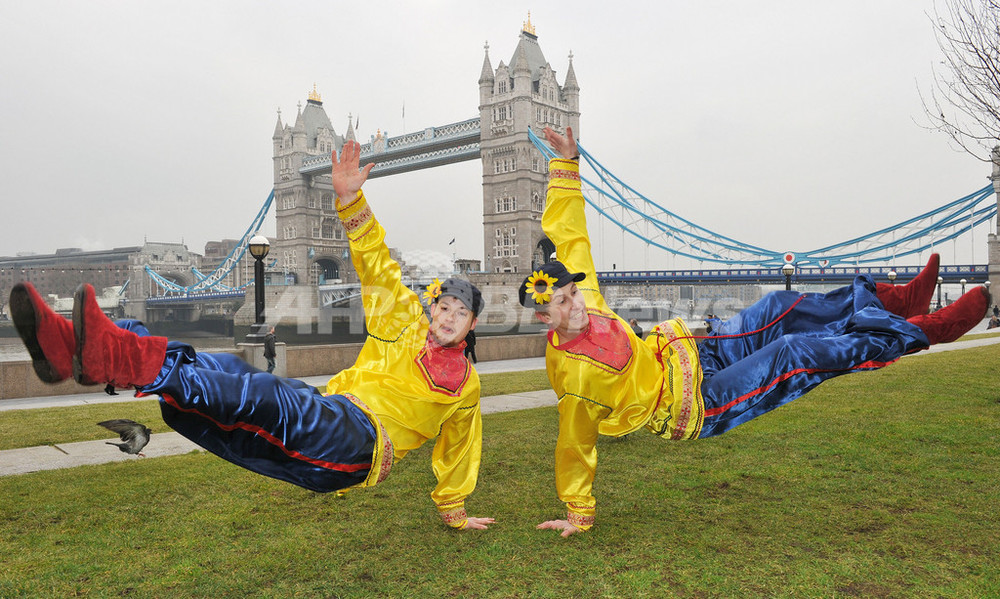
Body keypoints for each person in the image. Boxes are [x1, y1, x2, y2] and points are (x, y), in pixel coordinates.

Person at [522, 126, 990, 537]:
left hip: (692, 352)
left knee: (778, 304)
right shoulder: (575, 380)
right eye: (563, 303)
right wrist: (578, 511)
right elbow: (574, 443)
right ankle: (929, 329)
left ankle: (901, 300)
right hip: (695, 402)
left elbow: (569, 236)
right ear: (545, 319)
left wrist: (565, 164)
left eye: (574, 294)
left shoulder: (587, 299)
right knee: (792, 351)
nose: (578, 305)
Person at [9, 140, 494, 531]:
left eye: (461, 312)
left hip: (361, 445)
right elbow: (377, 266)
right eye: (443, 306)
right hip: (329, 420)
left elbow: (460, 447)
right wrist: (351, 200)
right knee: (220, 368)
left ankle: (109, 350)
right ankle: (74, 346)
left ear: (473, 324)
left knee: (257, 392)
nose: (449, 317)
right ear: (430, 309)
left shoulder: (467, 386)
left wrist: (455, 510)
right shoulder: (400, 323)